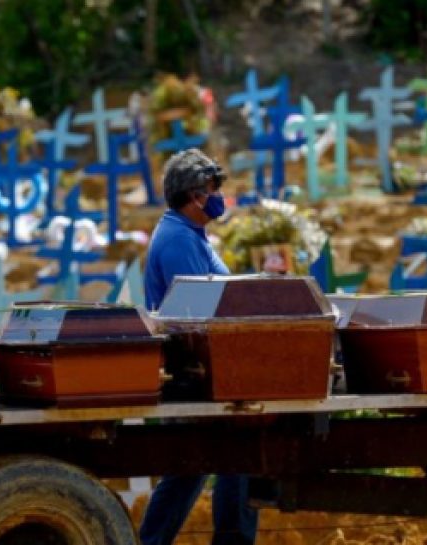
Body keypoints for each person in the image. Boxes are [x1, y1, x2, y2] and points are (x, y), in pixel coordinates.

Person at [140, 149, 258, 545]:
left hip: (205, 366)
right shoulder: (177, 239)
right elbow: (199, 310)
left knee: (195, 465)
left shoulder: (189, 234)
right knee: (228, 453)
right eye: (212, 189)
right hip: (195, 369)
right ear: (194, 196)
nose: (217, 197)